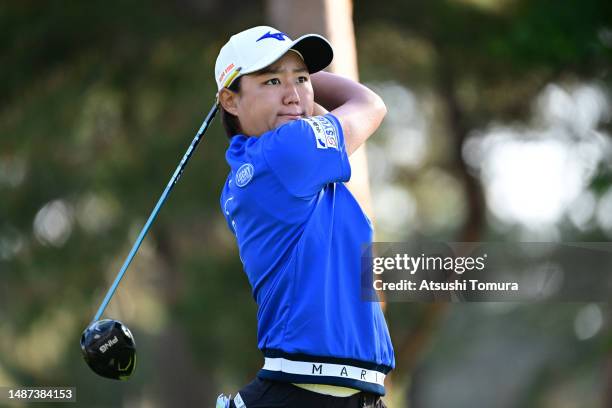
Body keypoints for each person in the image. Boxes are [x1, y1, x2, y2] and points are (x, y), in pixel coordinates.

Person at [215, 26, 394, 408]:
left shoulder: (259, 165)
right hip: (303, 392)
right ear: (230, 101)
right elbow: (370, 104)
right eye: (272, 80)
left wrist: (290, 86)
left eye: (301, 79)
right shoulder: (287, 152)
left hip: (346, 394)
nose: (293, 94)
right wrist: (310, 83)